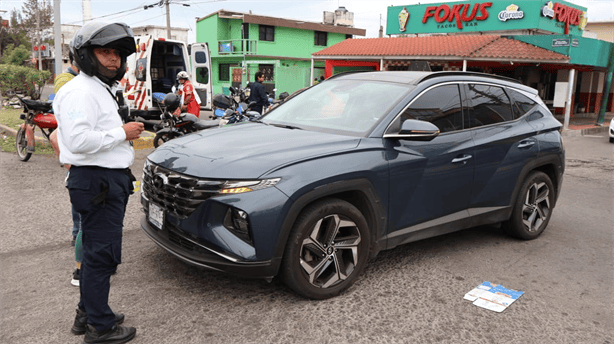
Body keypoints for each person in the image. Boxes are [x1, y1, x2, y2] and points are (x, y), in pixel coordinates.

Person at [53, 21, 143, 343]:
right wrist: (124, 133)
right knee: (101, 255)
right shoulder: (80, 91)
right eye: (105, 52)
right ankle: (100, 327)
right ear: (86, 54)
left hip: (105, 181)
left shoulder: (99, 88)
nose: (113, 59)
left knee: (96, 251)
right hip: (97, 183)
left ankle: (86, 312)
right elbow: (78, 141)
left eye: (117, 54)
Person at [49, 51, 84, 287]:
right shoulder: (67, 82)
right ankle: (81, 271)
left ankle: (77, 235)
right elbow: (56, 134)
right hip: (79, 162)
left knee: (81, 211)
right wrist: (67, 160)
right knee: (85, 219)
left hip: (79, 160)